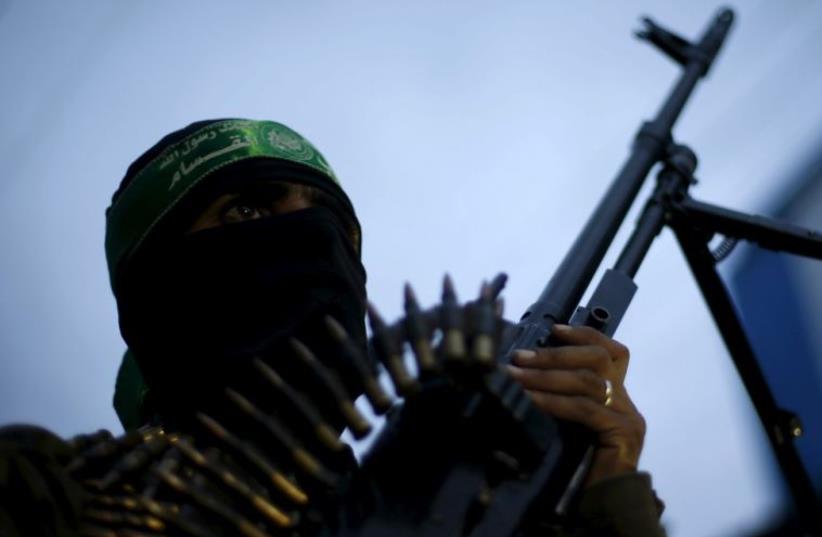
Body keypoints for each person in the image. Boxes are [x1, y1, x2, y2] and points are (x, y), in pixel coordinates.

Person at [0, 118, 665, 536]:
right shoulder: (52, 489)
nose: (310, 238)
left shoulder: (440, 498)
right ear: (159, 286)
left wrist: (610, 487)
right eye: (245, 211)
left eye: (330, 224)